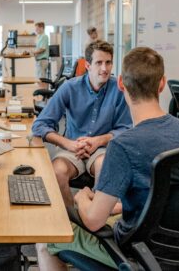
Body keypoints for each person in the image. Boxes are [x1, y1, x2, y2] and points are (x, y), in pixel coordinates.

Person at [36, 47, 179, 270]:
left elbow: (93, 222)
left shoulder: (123, 146)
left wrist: (83, 199)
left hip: (137, 253)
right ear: (162, 83)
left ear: (121, 83)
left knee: (44, 239)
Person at [31, 40, 132, 207]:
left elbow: (126, 129)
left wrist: (98, 141)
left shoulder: (119, 89)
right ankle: (73, 220)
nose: (105, 69)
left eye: (108, 62)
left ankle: (95, 219)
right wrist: (68, 144)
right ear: (87, 65)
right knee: (57, 172)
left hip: (102, 149)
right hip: (72, 147)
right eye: (99, 63)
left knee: (105, 167)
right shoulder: (70, 88)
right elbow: (40, 125)